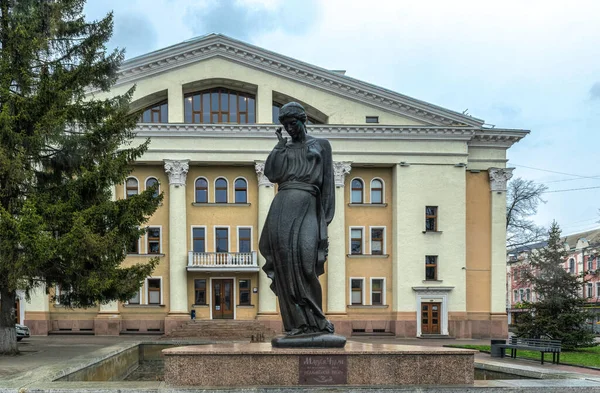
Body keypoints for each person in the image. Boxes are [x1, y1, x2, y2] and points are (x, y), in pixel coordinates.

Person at [259, 102, 335, 337]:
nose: (290, 129)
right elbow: (271, 174)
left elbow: (328, 183)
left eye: (293, 124)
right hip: (282, 207)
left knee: (306, 262)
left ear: (304, 121)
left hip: (308, 205)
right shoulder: (284, 147)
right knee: (284, 266)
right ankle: (296, 324)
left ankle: (317, 321)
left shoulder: (321, 145)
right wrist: (279, 148)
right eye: (285, 126)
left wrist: (324, 220)